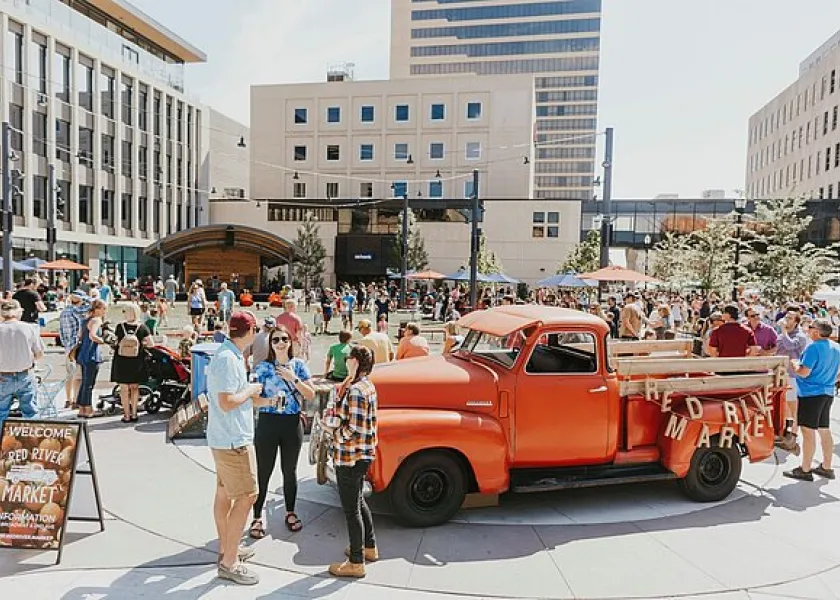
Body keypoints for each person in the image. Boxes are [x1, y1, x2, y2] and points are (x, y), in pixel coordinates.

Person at [205, 311, 268, 586]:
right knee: (247, 496)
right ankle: (229, 562)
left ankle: (227, 549)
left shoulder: (227, 354)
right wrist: (253, 390)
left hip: (223, 438)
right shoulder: (230, 359)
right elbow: (228, 401)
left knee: (224, 495)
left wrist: (263, 401)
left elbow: (232, 399)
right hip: (234, 441)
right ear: (251, 330)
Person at [249, 325, 316, 539]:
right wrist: (270, 401)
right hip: (268, 422)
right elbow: (252, 399)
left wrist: (292, 378)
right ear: (270, 343)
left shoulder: (299, 365)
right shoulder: (262, 368)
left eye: (284, 339)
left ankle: (290, 511)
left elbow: (311, 394)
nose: (280, 343)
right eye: (275, 339)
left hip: (291, 423)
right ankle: (257, 516)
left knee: (290, 470)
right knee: (263, 471)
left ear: (290, 342)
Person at [329, 345, 379, 578]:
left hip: (350, 456)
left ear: (356, 361)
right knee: (358, 503)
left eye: (348, 357)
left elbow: (354, 428)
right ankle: (368, 547)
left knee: (351, 511)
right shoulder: (366, 385)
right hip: (363, 455)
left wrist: (334, 435)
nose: (345, 359)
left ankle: (356, 562)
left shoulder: (357, 390)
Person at [784, 319, 840, 481]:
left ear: (817, 332)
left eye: (810, 327)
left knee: (808, 431)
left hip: (810, 394)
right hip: (827, 392)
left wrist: (794, 364)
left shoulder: (813, 347)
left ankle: (805, 468)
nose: (807, 330)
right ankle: (827, 467)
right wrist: (829, 380)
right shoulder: (836, 347)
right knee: (824, 429)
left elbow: (803, 372)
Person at [0, 299, 45, 425]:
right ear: (18, 312)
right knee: (30, 412)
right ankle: (30, 442)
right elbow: (39, 353)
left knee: (1, 413)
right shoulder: (29, 328)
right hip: (25, 374)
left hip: (3, 376)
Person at [776, 310, 810, 454]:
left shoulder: (800, 337)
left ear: (796, 322)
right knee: (782, 406)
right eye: (786, 317)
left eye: (790, 318)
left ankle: (793, 437)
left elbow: (790, 346)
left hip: (792, 376)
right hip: (779, 374)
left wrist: (783, 331)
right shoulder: (781, 335)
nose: (786, 320)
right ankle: (785, 432)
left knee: (792, 407)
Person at [111, 303, 152, 423]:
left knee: (124, 388)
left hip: (121, 360)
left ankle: (126, 415)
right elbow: (151, 344)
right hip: (137, 361)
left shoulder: (120, 327)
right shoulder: (143, 327)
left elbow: (115, 341)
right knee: (135, 388)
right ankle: (134, 413)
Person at [76, 299, 108, 418]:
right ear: (97, 309)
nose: (105, 311)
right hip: (92, 354)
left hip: (83, 354)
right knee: (89, 383)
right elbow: (93, 335)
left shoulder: (84, 320)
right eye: (103, 308)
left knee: (84, 382)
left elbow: (79, 335)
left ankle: (81, 408)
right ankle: (89, 409)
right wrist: (102, 340)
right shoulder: (96, 320)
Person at [59, 290, 89, 409]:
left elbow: (61, 331)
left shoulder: (64, 312)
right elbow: (93, 304)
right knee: (78, 376)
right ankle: (76, 400)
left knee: (69, 374)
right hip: (77, 346)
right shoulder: (77, 311)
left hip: (68, 346)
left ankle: (68, 399)